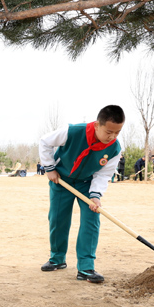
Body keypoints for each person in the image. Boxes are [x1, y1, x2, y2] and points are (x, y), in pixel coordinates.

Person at [38, 105, 124, 284]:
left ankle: (85, 267)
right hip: (61, 180)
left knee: (91, 219)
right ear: (96, 125)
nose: (113, 137)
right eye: (109, 132)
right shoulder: (73, 131)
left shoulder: (114, 149)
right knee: (57, 219)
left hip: (88, 183)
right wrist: (50, 168)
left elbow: (104, 174)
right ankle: (57, 259)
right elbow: (45, 142)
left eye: (117, 133)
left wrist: (95, 195)